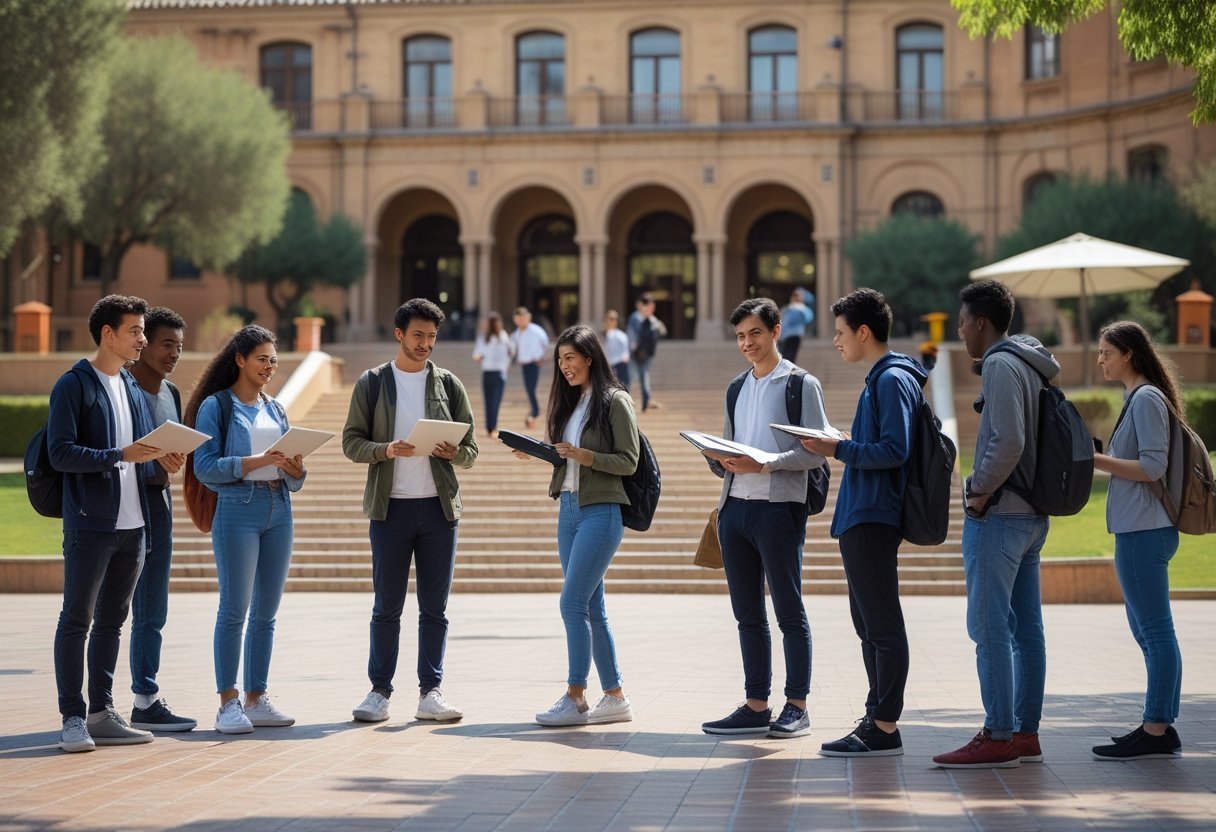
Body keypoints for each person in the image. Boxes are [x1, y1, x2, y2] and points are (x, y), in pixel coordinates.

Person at [933, 280, 1057, 769]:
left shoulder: (1003, 364)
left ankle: (999, 735)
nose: (959, 330)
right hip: (1030, 515)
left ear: (981, 322)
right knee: (1026, 630)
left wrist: (977, 490)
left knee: (989, 628)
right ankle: (1024, 733)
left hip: (1001, 513)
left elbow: (1008, 440)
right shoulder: (1030, 362)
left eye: (962, 322)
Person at [343, 298, 478, 725]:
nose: (425, 344)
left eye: (432, 337)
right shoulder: (372, 383)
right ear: (399, 334)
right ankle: (379, 692)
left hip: (439, 510)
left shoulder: (449, 384)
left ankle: (431, 692)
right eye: (418, 335)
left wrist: (455, 452)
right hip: (390, 510)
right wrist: (385, 449)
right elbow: (351, 443)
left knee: (434, 608)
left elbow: (471, 451)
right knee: (387, 607)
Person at [799, 289, 922, 758]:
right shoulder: (884, 378)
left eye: (840, 332)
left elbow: (896, 450)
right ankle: (876, 717)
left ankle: (885, 725)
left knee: (881, 623)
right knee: (867, 623)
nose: (836, 341)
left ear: (863, 332)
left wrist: (838, 449)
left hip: (874, 514)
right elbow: (885, 443)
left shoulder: (891, 379)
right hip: (862, 513)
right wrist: (847, 440)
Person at [700, 297, 829, 739]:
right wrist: (717, 457)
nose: (747, 343)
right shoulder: (736, 387)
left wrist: (766, 464)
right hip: (735, 509)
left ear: (776, 331)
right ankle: (756, 704)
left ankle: (797, 706)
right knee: (747, 614)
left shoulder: (800, 384)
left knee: (789, 610)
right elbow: (730, 445)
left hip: (779, 509)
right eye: (739, 336)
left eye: (755, 333)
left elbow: (815, 451)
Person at [511, 325, 639, 727]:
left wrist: (585, 455)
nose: (565, 366)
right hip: (568, 509)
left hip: (601, 511)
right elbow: (567, 457)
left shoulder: (615, 401)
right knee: (590, 606)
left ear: (590, 357)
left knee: (571, 603)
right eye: (560, 359)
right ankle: (615, 696)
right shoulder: (571, 403)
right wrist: (543, 453)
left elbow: (628, 460)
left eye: (571, 357)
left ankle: (575, 697)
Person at [49, 295, 160, 753]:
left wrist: (160, 457)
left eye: (143, 331)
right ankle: (73, 717)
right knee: (77, 619)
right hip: (90, 524)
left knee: (113, 622)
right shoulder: (73, 385)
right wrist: (118, 455)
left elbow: (141, 450)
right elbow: (60, 453)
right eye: (135, 331)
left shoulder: (131, 386)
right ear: (108, 334)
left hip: (133, 525)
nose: (143, 340)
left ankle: (102, 710)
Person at [187, 325, 306, 735]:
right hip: (237, 510)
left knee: (266, 614)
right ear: (240, 359)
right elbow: (203, 467)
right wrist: (254, 462)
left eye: (274, 360)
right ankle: (227, 703)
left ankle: (257, 698)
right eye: (262, 359)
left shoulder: (276, 408)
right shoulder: (216, 407)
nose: (270, 367)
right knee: (234, 610)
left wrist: (295, 469)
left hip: (280, 509)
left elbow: (295, 474)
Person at [1089, 321, 1184, 761]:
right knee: (1147, 632)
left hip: (1145, 530)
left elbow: (1152, 467)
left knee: (1155, 631)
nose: (1100, 359)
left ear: (1128, 353)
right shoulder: (1136, 398)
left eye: (1106, 352)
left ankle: (1157, 727)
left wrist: (1096, 459)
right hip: (1136, 528)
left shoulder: (1145, 398)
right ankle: (1157, 724)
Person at [126, 306, 197, 732]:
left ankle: (145, 697)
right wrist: (154, 465)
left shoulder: (171, 394)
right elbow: (115, 455)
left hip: (159, 504)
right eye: (166, 344)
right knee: (108, 610)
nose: (173, 353)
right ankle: (93, 703)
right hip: (119, 506)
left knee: (153, 609)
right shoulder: (121, 389)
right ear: (144, 343)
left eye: (179, 347)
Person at [472, 311, 514, 437]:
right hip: (498, 373)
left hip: (489, 372)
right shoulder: (502, 336)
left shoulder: (485, 337)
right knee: (495, 401)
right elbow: (510, 353)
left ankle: (490, 428)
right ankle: (492, 427)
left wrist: (484, 359)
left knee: (489, 401)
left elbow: (476, 356)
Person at [627, 293, 667, 412]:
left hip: (647, 355)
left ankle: (646, 402)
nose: (650, 308)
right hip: (634, 355)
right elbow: (631, 335)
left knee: (644, 377)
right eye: (648, 306)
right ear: (640, 306)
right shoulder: (635, 318)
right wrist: (633, 350)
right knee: (631, 377)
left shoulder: (653, 320)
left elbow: (662, 332)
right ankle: (624, 402)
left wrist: (656, 324)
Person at [511, 307, 550, 429]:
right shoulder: (515, 334)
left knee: (532, 388)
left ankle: (535, 411)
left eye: (523, 318)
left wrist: (543, 357)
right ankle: (534, 410)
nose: (521, 321)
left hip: (535, 363)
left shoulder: (536, 331)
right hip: (524, 364)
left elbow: (546, 343)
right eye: (518, 319)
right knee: (529, 389)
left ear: (528, 318)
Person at [778, 288, 814, 365]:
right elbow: (808, 319)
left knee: (787, 355)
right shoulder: (801, 308)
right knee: (790, 355)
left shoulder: (790, 308)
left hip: (788, 335)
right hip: (796, 335)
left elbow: (783, 322)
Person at [600, 309, 630, 388]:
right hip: (606, 366)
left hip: (618, 366)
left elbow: (625, 352)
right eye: (609, 319)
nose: (611, 321)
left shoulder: (621, 336)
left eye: (613, 319)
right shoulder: (600, 335)